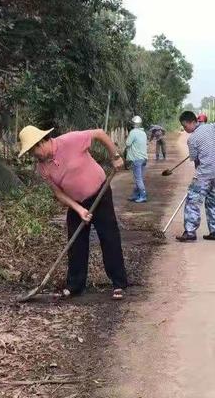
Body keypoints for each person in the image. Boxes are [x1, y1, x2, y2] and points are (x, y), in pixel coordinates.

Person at [18, 125, 128, 300]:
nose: (34, 156)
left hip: (100, 193)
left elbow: (99, 133)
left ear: (41, 143)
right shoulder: (42, 168)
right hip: (77, 203)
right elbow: (58, 193)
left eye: (33, 151)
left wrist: (114, 156)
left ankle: (119, 283)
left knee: (109, 237)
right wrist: (79, 209)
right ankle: (75, 285)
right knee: (75, 242)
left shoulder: (70, 140)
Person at [177, 111, 215, 242]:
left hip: (205, 174)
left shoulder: (192, 139)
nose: (185, 129)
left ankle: (190, 232)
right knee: (212, 201)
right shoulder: (211, 127)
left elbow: (196, 161)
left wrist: (197, 177)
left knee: (192, 201)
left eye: (185, 125)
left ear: (192, 122)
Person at [126, 115, 148, 203]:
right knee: (139, 178)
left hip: (137, 159)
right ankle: (135, 195)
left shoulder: (133, 132)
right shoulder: (143, 133)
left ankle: (143, 195)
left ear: (133, 123)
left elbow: (127, 143)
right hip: (144, 158)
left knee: (138, 178)